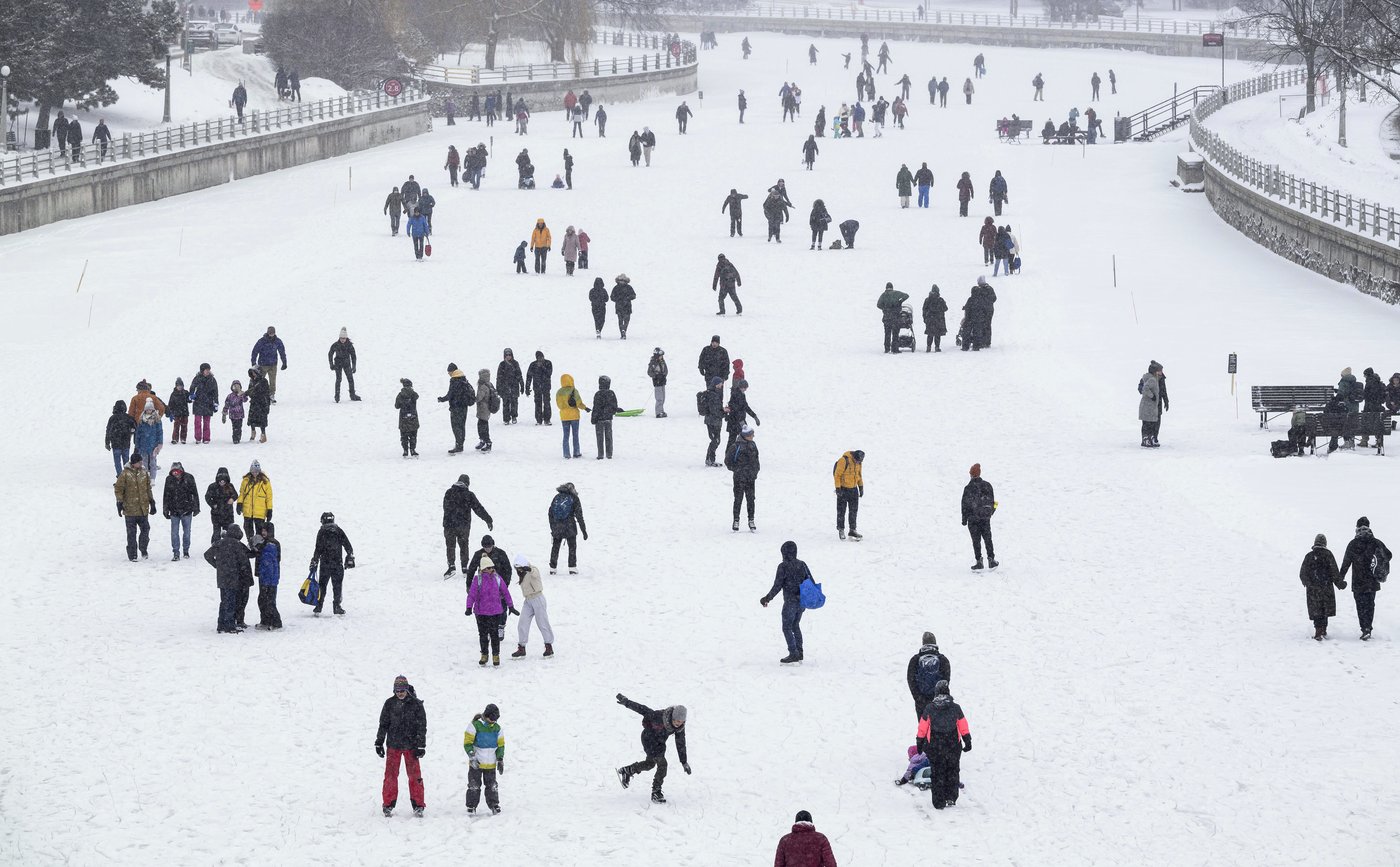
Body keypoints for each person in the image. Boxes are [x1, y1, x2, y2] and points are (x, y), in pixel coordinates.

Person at [615, 695, 689, 803]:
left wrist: (684, 762)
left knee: (650, 764)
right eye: (677, 720)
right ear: (672, 717)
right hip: (648, 739)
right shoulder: (659, 716)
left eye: (681, 721)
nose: (678, 723)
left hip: (660, 743)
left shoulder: (680, 728)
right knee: (662, 764)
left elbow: (681, 743)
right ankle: (656, 792)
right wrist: (627, 702)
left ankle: (628, 771)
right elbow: (642, 709)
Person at [376, 675, 427, 818]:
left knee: (414, 776)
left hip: (411, 746)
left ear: (407, 689)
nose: (400, 693)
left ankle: (418, 805)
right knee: (390, 776)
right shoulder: (389, 704)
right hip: (394, 745)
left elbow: (422, 726)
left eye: (402, 690)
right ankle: (388, 804)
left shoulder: (416, 704)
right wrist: (379, 742)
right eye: (397, 690)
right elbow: (383, 724)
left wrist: (421, 745)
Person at [917, 680, 971, 810]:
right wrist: (967, 740)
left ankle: (938, 801)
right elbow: (963, 725)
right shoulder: (955, 708)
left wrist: (919, 742)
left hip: (935, 746)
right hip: (953, 745)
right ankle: (951, 797)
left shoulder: (930, 708)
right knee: (952, 771)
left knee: (937, 773)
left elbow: (922, 727)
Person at [759, 540, 812, 663]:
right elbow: (810, 581)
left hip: (790, 602)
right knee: (795, 625)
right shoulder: (802, 564)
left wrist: (767, 598)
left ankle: (793, 653)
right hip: (801, 602)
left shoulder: (783, 566)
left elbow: (777, 586)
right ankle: (800, 652)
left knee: (787, 627)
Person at [1339, 516, 1391, 640]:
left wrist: (1340, 578)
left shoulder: (1353, 543)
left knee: (1360, 606)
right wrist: (1379, 561)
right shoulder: (1376, 542)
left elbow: (1346, 562)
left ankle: (1364, 628)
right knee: (1370, 604)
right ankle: (1368, 627)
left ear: (1357, 528)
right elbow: (1389, 554)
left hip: (1358, 581)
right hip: (1372, 581)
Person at [466, 560, 516, 667]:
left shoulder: (497, 578)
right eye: (488, 568)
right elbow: (472, 594)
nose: (491, 569)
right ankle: (484, 654)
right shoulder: (477, 579)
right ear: (483, 569)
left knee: (494, 635)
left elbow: (506, 592)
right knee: (483, 635)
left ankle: (495, 655)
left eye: (492, 567)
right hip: (481, 612)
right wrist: (469, 607)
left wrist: (510, 605)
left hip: (495, 612)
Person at [442, 475, 493, 579]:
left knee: (450, 545)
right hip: (463, 525)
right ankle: (465, 567)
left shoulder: (449, 492)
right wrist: (488, 519)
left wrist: (452, 517)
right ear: (467, 483)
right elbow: (478, 508)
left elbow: (445, 507)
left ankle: (451, 566)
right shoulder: (468, 495)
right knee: (464, 545)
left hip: (449, 525)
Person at [204, 523, 252, 633]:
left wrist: (218, 565)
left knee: (224, 601)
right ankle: (230, 626)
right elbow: (245, 559)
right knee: (231, 602)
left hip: (223, 577)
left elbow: (207, 555)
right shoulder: (237, 544)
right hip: (234, 577)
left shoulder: (220, 543)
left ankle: (221, 624)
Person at [1300, 533, 1345, 640]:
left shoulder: (1309, 556)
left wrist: (1308, 583)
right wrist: (1340, 584)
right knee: (1325, 609)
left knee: (1316, 610)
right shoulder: (1328, 555)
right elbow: (1334, 572)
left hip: (1313, 589)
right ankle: (1323, 629)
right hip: (1326, 588)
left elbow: (1302, 573)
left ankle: (1318, 630)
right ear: (1325, 543)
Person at [309, 511, 355, 616]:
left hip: (325, 564)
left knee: (322, 586)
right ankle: (337, 606)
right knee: (337, 586)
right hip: (337, 563)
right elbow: (348, 545)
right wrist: (350, 556)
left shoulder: (321, 532)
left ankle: (319, 606)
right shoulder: (338, 530)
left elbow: (318, 548)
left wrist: (315, 560)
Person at [464, 703, 506, 814]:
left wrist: (500, 759)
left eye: (496, 718)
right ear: (486, 716)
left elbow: (501, 745)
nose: (494, 721)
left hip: (491, 764)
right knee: (474, 786)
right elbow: (467, 743)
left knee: (492, 786)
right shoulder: (475, 725)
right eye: (492, 718)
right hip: (476, 764)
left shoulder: (497, 729)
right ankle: (471, 806)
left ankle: (494, 804)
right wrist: (472, 756)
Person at [510, 554, 555, 658]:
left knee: (542, 623)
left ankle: (549, 646)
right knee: (522, 623)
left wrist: (529, 569)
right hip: (528, 600)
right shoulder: (521, 574)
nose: (519, 570)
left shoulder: (533, 569)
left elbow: (535, 573)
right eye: (517, 568)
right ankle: (521, 647)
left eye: (520, 568)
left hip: (538, 598)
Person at [114, 452, 156, 561]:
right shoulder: (125, 474)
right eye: (139, 461)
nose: (141, 463)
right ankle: (132, 554)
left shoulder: (144, 473)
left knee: (145, 530)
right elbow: (118, 489)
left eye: (141, 461)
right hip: (130, 510)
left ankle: (143, 549)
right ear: (133, 463)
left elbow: (148, 489)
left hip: (143, 509)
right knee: (131, 534)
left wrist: (151, 501)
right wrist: (119, 502)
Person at [907, 631, 952, 718]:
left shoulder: (915, 660)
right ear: (935, 643)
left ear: (923, 643)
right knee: (939, 728)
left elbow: (911, 681)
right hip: (939, 702)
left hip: (921, 702)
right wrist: (939, 698)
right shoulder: (943, 659)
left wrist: (919, 699)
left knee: (924, 729)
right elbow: (946, 680)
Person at [960, 463, 997, 570]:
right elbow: (993, 502)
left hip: (973, 518)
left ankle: (979, 561)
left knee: (976, 540)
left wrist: (964, 519)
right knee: (988, 538)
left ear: (971, 475)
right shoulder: (988, 485)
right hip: (985, 518)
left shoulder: (968, 488)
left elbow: (964, 504)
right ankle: (991, 559)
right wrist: (990, 513)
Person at [547, 482, 587, 573]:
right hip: (570, 527)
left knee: (555, 546)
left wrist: (552, 527)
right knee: (572, 546)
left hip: (557, 527)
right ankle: (572, 567)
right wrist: (584, 531)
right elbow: (579, 516)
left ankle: (552, 568)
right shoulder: (574, 498)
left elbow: (550, 513)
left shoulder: (557, 497)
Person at [162, 461, 199, 561]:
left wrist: (196, 507)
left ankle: (186, 550)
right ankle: (176, 552)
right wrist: (165, 509)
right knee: (174, 533)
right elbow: (166, 495)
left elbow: (194, 493)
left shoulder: (189, 478)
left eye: (177, 471)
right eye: (173, 472)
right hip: (174, 510)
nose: (176, 474)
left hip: (187, 510)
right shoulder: (169, 480)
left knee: (186, 532)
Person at [772, 810, 838, 866]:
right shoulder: (821, 838)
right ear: (811, 822)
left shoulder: (785, 840)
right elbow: (831, 864)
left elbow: (778, 864)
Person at [727, 424, 760, 532]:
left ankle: (751, 519)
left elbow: (756, 459)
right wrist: (737, 470)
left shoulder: (753, 445)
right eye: (751, 434)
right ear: (746, 436)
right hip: (739, 478)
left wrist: (755, 471)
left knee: (751, 499)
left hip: (750, 478)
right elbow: (728, 461)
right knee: (738, 499)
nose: (753, 436)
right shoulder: (735, 446)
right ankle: (736, 520)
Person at [439, 363, 477, 454]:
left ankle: (458, 445)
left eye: (449, 372)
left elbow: (450, 394)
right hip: (464, 407)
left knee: (456, 426)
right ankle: (460, 444)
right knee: (462, 426)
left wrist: (442, 399)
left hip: (456, 408)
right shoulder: (463, 379)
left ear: (452, 371)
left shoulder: (454, 380)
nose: (448, 374)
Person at [252, 522, 282, 630]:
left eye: (265, 531)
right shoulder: (264, 542)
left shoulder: (271, 544)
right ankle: (265, 620)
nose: (263, 533)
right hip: (264, 575)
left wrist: (257, 548)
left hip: (270, 576)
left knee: (269, 600)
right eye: (262, 530)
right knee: (262, 599)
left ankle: (275, 622)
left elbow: (269, 560)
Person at [832, 450, 864, 540]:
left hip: (854, 490)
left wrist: (861, 487)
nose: (859, 462)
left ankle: (852, 530)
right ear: (854, 457)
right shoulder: (844, 460)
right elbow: (837, 475)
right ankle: (841, 529)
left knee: (853, 511)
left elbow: (859, 475)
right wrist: (838, 488)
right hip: (843, 489)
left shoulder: (859, 463)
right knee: (841, 511)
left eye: (860, 461)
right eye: (858, 461)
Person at [250, 326, 287, 403]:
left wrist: (284, 362)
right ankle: (255, 395)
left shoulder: (277, 341)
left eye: (272, 333)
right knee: (259, 380)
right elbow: (255, 351)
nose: (271, 335)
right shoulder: (262, 341)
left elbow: (282, 352)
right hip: (263, 365)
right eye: (270, 333)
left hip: (273, 365)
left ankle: (271, 395)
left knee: (272, 381)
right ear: (267, 333)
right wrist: (253, 363)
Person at [556, 374, 588, 459]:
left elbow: (559, 405)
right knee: (575, 435)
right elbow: (579, 403)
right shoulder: (574, 390)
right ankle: (576, 452)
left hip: (564, 417)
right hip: (574, 416)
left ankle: (566, 454)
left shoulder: (559, 392)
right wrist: (585, 408)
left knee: (565, 436)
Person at [204, 466, 237, 546]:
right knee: (216, 532)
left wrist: (232, 499)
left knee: (228, 532)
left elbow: (235, 495)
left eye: (224, 480)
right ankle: (215, 547)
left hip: (228, 513)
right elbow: (207, 497)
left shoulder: (230, 486)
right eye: (220, 480)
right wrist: (213, 505)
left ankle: (227, 548)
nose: (222, 482)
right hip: (216, 514)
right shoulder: (212, 487)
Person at [133, 397, 164, 477]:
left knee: (153, 462)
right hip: (143, 444)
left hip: (154, 445)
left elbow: (160, 432)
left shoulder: (157, 419)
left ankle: (153, 478)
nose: (149, 411)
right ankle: (145, 477)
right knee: (144, 462)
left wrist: (160, 443)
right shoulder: (141, 419)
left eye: (150, 409)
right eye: (147, 409)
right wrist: (137, 444)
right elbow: (138, 433)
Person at [591, 375, 620, 459]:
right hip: (608, 418)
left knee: (599, 437)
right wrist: (612, 412)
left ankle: (600, 454)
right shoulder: (611, 393)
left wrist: (594, 418)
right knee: (609, 437)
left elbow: (595, 407)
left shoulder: (597, 394)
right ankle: (609, 454)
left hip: (599, 419)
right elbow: (614, 406)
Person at [877, 283, 910, 354]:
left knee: (887, 334)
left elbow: (878, 305)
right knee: (895, 333)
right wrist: (900, 301)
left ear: (886, 288)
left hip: (887, 317)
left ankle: (887, 349)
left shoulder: (883, 295)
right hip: (896, 317)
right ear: (892, 287)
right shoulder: (896, 293)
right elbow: (907, 295)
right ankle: (895, 349)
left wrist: (885, 308)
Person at [189, 363, 218, 444]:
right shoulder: (197, 378)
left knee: (207, 422)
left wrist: (216, 403)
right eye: (206, 370)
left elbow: (215, 392)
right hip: (198, 402)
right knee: (197, 422)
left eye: (209, 369)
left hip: (208, 403)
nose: (208, 371)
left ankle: (206, 438)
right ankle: (198, 438)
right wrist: (191, 394)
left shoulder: (212, 379)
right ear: (202, 370)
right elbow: (192, 387)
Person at [106, 399, 137, 476]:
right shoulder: (129, 418)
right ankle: (127, 476)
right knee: (126, 460)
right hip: (126, 442)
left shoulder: (112, 418)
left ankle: (120, 476)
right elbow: (135, 428)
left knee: (117, 461)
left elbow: (108, 431)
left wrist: (107, 442)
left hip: (115, 443)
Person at [329, 327, 360, 403]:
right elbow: (330, 354)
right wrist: (331, 364)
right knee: (338, 379)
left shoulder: (349, 345)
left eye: (344, 338)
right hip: (338, 363)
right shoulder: (335, 345)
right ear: (339, 338)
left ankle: (352, 395)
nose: (343, 340)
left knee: (350, 379)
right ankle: (337, 396)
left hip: (346, 363)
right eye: (341, 338)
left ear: (346, 338)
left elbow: (353, 356)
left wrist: (354, 366)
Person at [1139, 361, 1163, 448]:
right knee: (1148, 424)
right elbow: (1145, 389)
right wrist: (1152, 396)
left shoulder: (1151, 378)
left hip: (1149, 406)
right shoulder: (1152, 379)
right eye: (1160, 371)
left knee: (1149, 423)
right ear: (1155, 371)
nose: (1161, 372)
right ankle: (1146, 439)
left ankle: (1149, 439)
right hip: (1148, 406)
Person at [703, 376, 725, 467]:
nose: (721, 385)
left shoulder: (715, 393)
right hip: (712, 421)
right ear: (716, 384)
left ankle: (710, 459)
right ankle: (709, 459)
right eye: (720, 384)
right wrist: (724, 412)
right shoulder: (713, 395)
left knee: (716, 440)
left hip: (714, 421)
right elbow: (715, 410)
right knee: (715, 440)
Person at [1360, 367, 1386, 448]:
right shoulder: (1378, 382)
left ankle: (1364, 441)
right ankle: (1379, 441)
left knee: (1365, 422)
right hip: (1378, 407)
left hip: (1369, 406)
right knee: (1377, 424)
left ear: (1367, 375)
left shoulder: (1369, 382)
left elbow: (1367, 395)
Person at [526, 351, 553, 425]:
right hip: (537, 387)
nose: (540, 359)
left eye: (541, 357)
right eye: (538, 357)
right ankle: (538, 420)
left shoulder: (548, 363)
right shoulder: (533, 365)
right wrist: (527, 388)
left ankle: (547, 419)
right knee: (538, 403)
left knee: (547, 402)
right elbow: (529, 376)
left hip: (546, 386)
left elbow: (549, 373)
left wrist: (542, 367)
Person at [245, 367, 271, 444]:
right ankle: (253, 432)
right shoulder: (252, 381)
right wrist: (251, 394)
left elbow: (266, 393)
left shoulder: (264, 381)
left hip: (262, 403)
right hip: (254, 403)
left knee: (262, 420)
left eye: (254, 373)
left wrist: (266, 404)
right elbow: (249, 391)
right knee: (252, 419)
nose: (253, 375)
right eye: (252, 373)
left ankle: (263, 434)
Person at [396, 378, 420, 458]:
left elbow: (396, 406)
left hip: (403, 418)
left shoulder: (400, 395)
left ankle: (405, 450)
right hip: (413, 417)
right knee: (413, 435)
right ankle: (413, 450)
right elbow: (417, 396)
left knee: (404, 435)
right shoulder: (414, 394)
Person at [474, 368, 496, 452]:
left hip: (483, 408)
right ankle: (483, 441)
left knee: (482, 426)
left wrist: (473, 399)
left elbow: (479, 397)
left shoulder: (483, 386)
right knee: (482, 425)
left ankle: (487, 442)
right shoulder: (489, 384)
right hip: (486, 408)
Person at [922, 285, 948, 352]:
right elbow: (945, 308)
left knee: (930, 334)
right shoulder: (940, 300)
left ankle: (928, 347)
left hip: (930, 319)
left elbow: (924, 309)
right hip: (938, 319)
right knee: (937, 334)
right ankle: (937, 347)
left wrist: (925, 318)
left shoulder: (927, 300)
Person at [611, 274, 636, 339]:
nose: (622, 282)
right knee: (624, 320)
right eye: (621, 280)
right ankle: (623, 331)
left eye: (623, 280)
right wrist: (627, 298)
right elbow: (633, 296)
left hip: (621, 306)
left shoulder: (616, 288)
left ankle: (623, 331)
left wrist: (619, 299)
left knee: (622, 320)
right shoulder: (628, 287)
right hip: (626, 306)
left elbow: (633, 296)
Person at [648, 348, 668, 418]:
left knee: (663, 397)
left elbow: (666, 370)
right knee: (659, 398)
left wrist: (663, 375)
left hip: (662, 382)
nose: (661, 357)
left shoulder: (662, 361)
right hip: (657, 383)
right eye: (660, 356)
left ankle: (661, 410)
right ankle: (658, 412)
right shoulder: (653, 363)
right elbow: (649, 372)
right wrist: (656, 376)